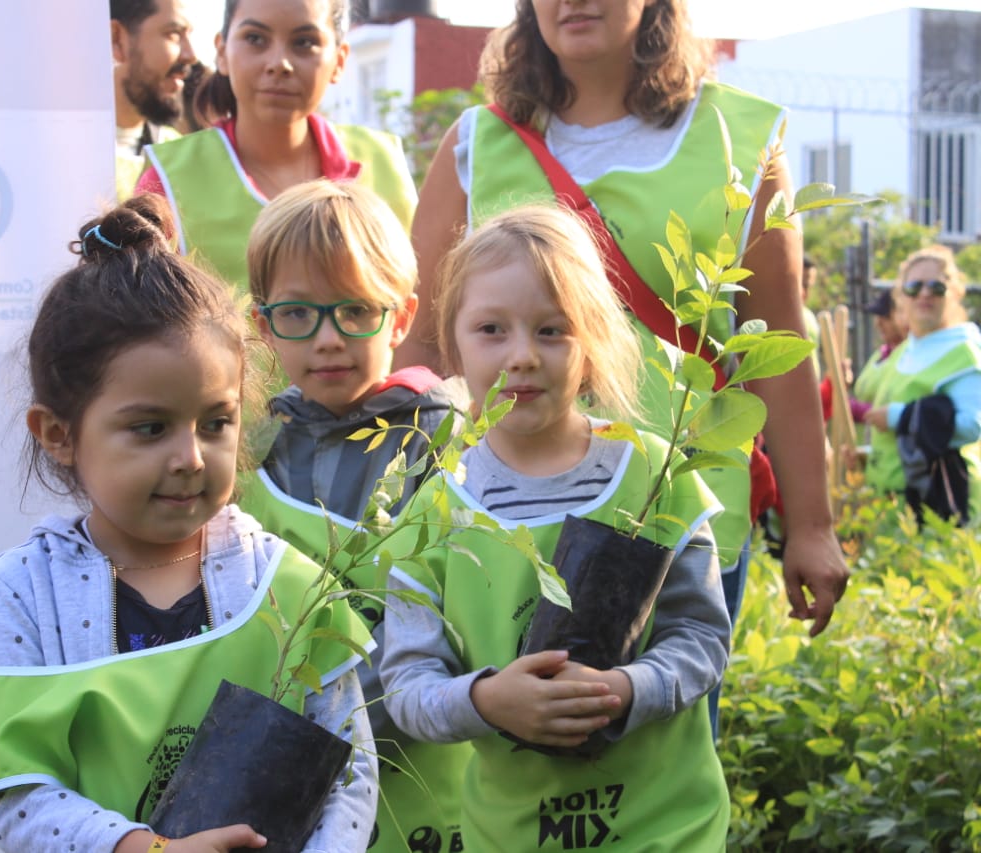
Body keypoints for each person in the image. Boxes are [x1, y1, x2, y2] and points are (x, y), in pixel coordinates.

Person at [396, 0, 848, 639]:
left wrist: (813, 526)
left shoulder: (742, 140)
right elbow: (420, 345)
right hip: (502, 523)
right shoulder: (476, 144)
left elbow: (778, 348)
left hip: (680, 517)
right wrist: (403, 505)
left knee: (671, 702)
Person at [0, 194, 377, 853]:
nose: (190, 457)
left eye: (215, 423)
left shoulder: (288, 583)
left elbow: (348, 768)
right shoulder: (23, 591)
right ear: (58, 433)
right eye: (150, 428)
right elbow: (14, 788)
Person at [380, 204, 731, 852]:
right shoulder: (434, 513)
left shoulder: (654, 477)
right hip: (510, 835)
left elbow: (702, 637)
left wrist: (626, 689)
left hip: (667, 828)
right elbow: (407, 684)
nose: (522, 356)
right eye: (491, 329)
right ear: (453, 343)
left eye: (552, 330)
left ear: (591, 340)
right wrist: (487, 700)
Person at [238, 180, 469, 853]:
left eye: (356, 310)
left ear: (401, 317)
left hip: (427, 776)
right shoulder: (252, 450)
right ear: (262, 324)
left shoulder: (445, 441)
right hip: (286, 774)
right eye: (297, 314)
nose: (329, 338)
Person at [134, 0, 416, 292]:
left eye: (304, 42)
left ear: (340, 60)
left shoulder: (384, 164)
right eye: (255, 39)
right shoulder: (168, 182)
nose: (279, 63)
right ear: (222, 52)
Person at [860, 245, 981, 525]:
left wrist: (899, 417)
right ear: (901, 297)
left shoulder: (963, 352)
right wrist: (867, 456)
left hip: (939, 508)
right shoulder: (907, 348)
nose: (924, 294)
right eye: (914, 287)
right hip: (891, 508)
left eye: (936, 286)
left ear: (955, 293)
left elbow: (971, 427)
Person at [111, 0, 197, 199]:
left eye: (189, 35)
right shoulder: (53, 153)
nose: (190, 55)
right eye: (173, 34)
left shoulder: (177, 154)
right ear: (117, 39)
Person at [849, 287, 908, 419]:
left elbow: (901, 408)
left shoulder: (909, 357)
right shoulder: (882, 353)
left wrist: (856, 409)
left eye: (886, 317)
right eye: (877, 316)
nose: (878, 323)